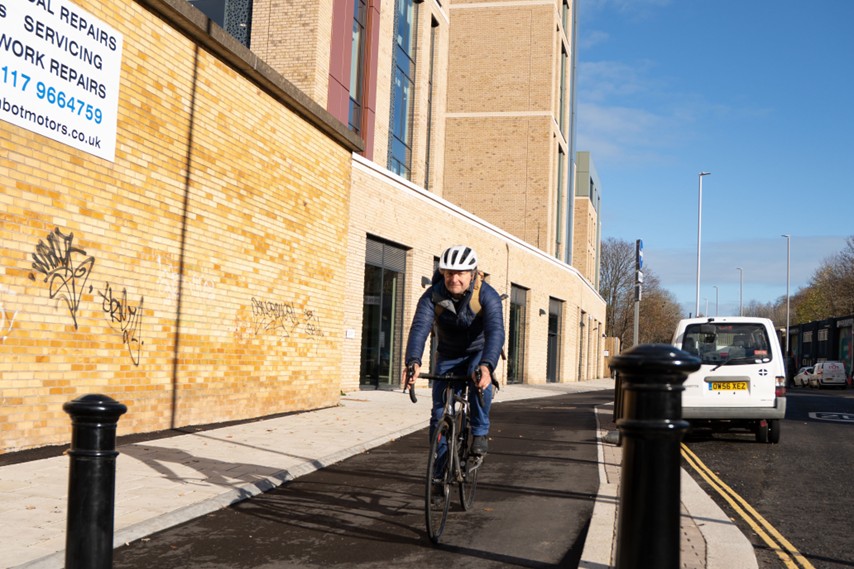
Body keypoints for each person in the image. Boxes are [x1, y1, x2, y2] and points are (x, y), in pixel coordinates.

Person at [402, 245, 505, 456]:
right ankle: (439, 470)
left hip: (478, 352)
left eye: (460, 273)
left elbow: (495, 331)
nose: (454, 279)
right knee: (439, 414)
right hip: (448, 354)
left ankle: (479, 431)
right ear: (443, 273)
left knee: (479, 382)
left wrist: (487, 366)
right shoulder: (432, 296)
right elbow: (420, 328)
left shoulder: (487, 295)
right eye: (449, 273)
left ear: (472, 274)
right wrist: (413, 361)